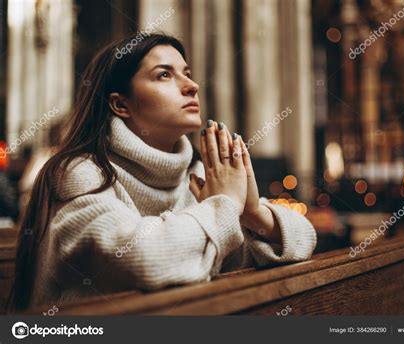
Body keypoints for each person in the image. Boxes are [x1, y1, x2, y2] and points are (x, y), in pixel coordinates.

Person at [9, 32, 316, 311]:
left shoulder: (197, 173)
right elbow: (142, 259)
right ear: (120, 104)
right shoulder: (79, 172)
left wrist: (251, 213)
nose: (192, 86)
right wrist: (224, 207)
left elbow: (301, 240)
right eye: (164, 75)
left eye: (188, 74)